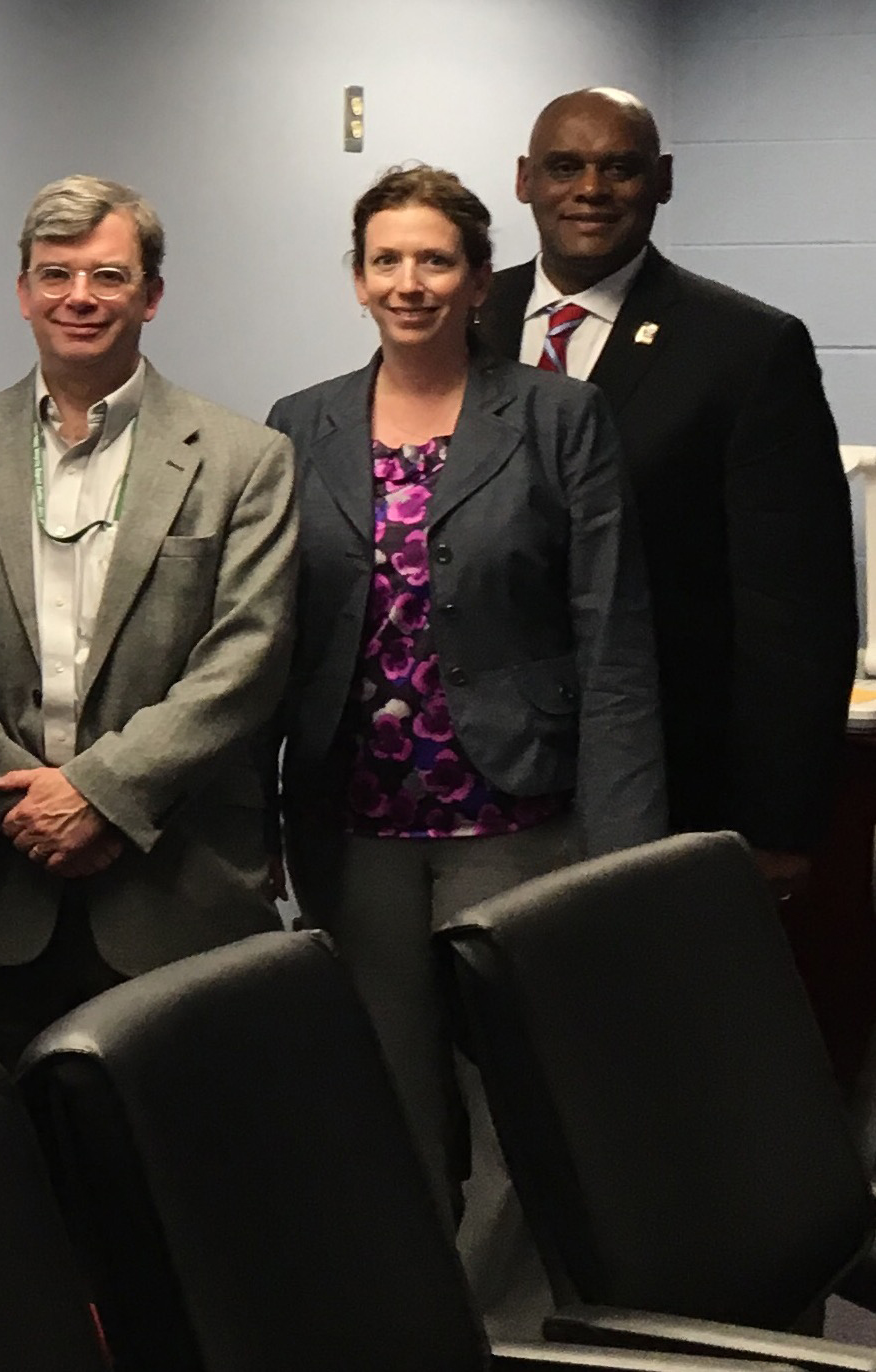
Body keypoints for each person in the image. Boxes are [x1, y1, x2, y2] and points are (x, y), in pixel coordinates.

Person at [267, 163, 663, 1217]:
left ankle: (511, 1324)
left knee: (523, 1088)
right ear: (355, 279)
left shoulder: (557, 418)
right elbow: (270, 640)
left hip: (516, 813)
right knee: (387, 1084)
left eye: (435, 259)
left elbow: (612, 640)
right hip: (355, 825)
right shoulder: (300, 426)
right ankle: (415, 1311)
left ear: (480, 279)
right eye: (386, 260)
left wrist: (622, 854)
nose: (410, 282)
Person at [0, 176, 297, 1063]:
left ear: (150, 295)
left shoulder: (245, 460)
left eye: (107, 276)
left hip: (179, 890)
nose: (77, 298)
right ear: (21, 292)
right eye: (54, 275)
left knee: (184, 1170)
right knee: (12, 1161)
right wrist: (23, 799)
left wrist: (99, 796)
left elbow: (248, 657)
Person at [477, 87, 853, 899]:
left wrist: (777, 821)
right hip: (475, 786)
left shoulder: (746, 349)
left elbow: (793, 608)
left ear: (662, 180)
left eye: (620, 167)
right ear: (521, 180)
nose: (590, 189)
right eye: (564, 166)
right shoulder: (466, 318)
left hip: (671, 779)